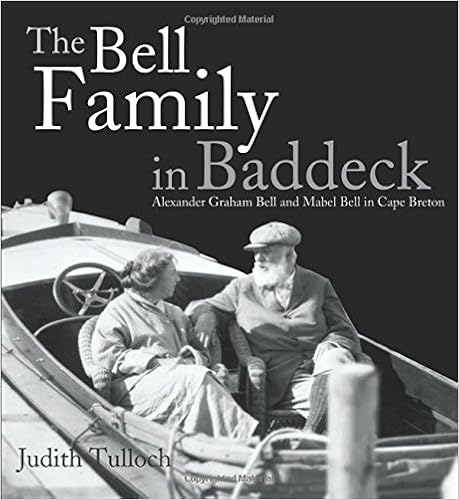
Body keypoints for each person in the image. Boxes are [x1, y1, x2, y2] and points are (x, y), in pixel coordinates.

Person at [189, 222, 363, 434]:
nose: (258, 259)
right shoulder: (242, 288)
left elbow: (344, 330)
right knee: (347, 400)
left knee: (336, 357)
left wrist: (331, 344)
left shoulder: (318, 284)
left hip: (321, 369)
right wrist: (206, 316)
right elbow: (204, 306)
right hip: (280, 380)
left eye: (267, 252)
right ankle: (315, 436)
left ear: (289, 256)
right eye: (256, 253)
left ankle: (308, 435)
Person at [91, 248, 258, 440]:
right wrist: (155, 362)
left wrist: (195, 355)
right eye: (173, 273)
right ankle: (244, 441)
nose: (178, 279)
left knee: (198, 378)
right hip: (135, 388)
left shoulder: (175, 312)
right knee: (195, 377)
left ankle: (212, 445)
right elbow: (108, 355)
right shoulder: (117, 310)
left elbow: (202, 351)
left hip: (179, 378)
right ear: (152, 279)